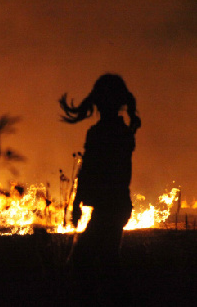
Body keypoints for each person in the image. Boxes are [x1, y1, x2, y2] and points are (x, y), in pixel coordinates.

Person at [59, 73, 141, 305]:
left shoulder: (101, 133)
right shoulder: (122, 132)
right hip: (115, 207)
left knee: (89, 260)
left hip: (109, 209)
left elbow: (88, 171)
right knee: (105, 262)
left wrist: (77, 202)